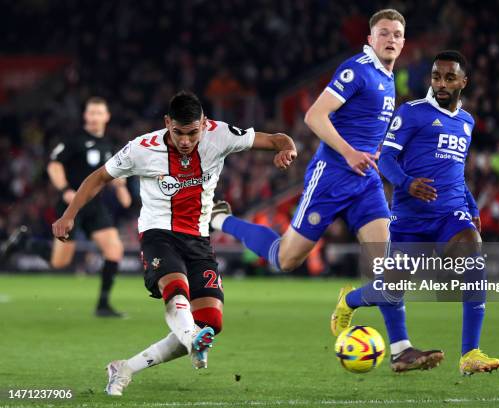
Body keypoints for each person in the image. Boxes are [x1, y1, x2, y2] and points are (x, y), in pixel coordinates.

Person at [209, 9, 442, 372]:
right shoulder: (357, 70)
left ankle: (401, 349)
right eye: (384, 33)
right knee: (285, 259)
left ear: (404, 41)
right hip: (331, 177)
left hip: (365, 182)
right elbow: (315, 116)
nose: (391, 39)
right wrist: (350, 153)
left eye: (397, 34)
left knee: (389, 267)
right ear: (370, 39)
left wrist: (376, 152)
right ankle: (222, 220)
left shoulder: (387, 77)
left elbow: (366, 127)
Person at [52, 91, 297, 396]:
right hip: (158, 233)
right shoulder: (142, 148)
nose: (185, 141)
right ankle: (191, 335)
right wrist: (69, 214)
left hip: (198, 238)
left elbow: (276, 139)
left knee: (212, 322)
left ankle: (125, 367)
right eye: (178, 132)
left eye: (192, 132)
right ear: (167, 122)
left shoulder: (219, 135)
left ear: (204, 124)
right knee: (176, 289)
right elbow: (98, 177)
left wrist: (287, 148)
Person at [362, 50, 499, 375]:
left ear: (463, 82)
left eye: (449, 77)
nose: (441, 83)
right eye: (437, 76)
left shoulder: (467, 122)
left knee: (472, 258)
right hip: (410, 219)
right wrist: (407, 184)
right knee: (391, 288)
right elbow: (385, 161)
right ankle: (350, 301)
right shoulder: (411, 113)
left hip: (449, 213)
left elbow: (456, 169)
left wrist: (471, 205)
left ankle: (470, 353)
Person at [0, 97, 132, 317]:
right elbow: (54, 165)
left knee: (114, 250)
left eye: (99, 113)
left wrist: (121, 188)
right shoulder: (74, 140)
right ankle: (24, 242)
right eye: (91, 113)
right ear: (85, 116)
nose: (95, 117)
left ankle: (103, 305)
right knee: (60, 262)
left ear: (106, 117)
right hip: (71, 205)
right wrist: (64, 190)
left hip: (95, 206)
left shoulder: (108, 146)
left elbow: (112, 180)